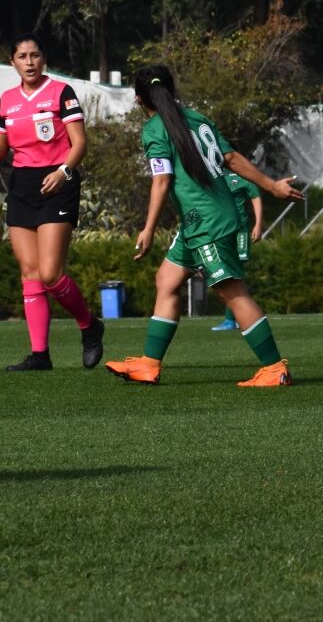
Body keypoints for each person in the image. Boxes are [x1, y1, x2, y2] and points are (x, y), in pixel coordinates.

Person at [104, 65, 303, 386]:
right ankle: (149, 364)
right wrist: (271, 186)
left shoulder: (154, 129)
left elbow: (162, 180)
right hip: (204, 218)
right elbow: (233, 159)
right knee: (167, 279)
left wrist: (149, 228)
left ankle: (274, 368)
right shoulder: (197, 118)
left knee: (232, 293)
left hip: (207, 221)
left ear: (139, 99)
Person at [0, 33, 103, 371]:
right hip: (22, 187)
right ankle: (40, 355)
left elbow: (79, 144)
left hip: (58, 182)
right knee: (29, 273)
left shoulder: (61, 93)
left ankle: (89, 326)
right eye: (22, 56)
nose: (29, 62)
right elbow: (3, 151)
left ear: (43, 59)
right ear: (12, 62)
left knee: (50, 274)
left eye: (35, 55)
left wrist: (63, 172)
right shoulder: (6, 100)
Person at [210, 171, 265, 332]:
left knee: (236, 273)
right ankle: (236, 318)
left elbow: (255, 196)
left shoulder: (242, 176)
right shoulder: (214, 176)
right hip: (221, 232)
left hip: (240, 231)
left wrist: (258, 224)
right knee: (227, 273)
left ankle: (232, 319)